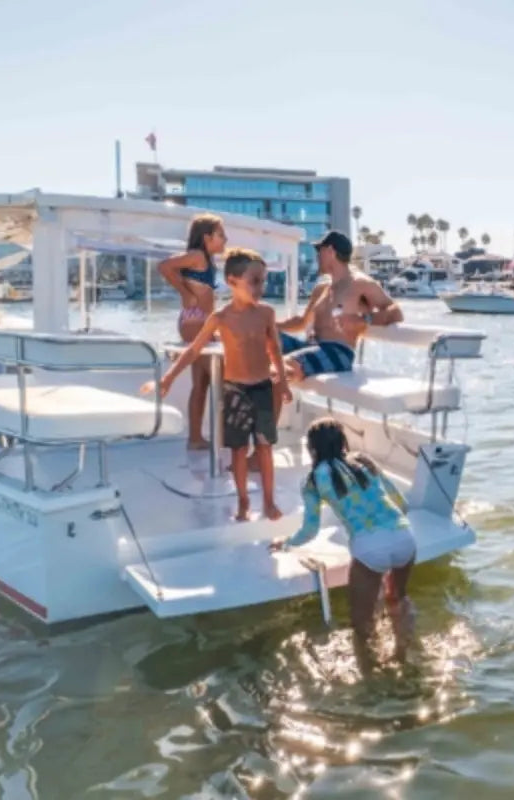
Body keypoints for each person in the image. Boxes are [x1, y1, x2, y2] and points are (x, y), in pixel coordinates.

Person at [145, 249, 293, 521]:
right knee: (237, 450)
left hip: (261, 388)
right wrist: (168, 378)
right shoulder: (220, 318)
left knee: (264, 448)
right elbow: (192, 351)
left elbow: (275, 350)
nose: (262, 287)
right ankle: (243, 501)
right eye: (256, 281)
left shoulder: (266, 313)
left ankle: (269, 501)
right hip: (235, 391)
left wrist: (282, 383)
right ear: (233, 281)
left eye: (264, 281)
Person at [271, 418, 417, 664]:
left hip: (369, 548)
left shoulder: (313, 481)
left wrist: (285, 543)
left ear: (312, 449)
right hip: (404, 538)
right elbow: (401, 503)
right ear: (343, 443)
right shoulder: (364, 462)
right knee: (397, 597)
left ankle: (371, 674)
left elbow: (310, 530)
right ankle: (402, 655)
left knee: (361, 621)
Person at [275, 231, 403, 409]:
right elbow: (302, 322)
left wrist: (364, 319)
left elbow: (395, 312)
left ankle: (265, 432)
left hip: (338, 352)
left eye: (319, 251)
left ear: (330, 251)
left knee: (283, 366)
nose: (317, 257)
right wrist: (271, 326)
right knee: (262, 339)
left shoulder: (360, 283)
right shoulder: (321, 288)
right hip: (311, 346)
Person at [158, 213, 227, 451]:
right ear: (206, 237)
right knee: (224, 379)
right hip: (196, 321)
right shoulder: (198, 256)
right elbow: (164, 266)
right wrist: (184, 293)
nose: (225, 239)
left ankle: (195, 439)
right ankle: (228, 438)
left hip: (198, 321)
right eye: (221, 235)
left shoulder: (206, 259)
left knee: (202, 382)